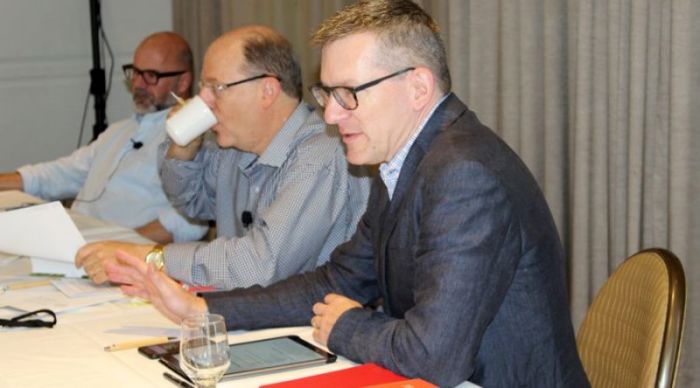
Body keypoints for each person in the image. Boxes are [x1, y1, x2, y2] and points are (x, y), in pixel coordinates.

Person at [105, 1, 589, 386]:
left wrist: (348, 326)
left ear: (417, 87)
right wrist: (207, 310)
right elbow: (337, 280)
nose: (333, 116)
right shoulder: (404, 160)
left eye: (349, 94)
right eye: (328, 95)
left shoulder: (465, 174)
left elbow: (435, 356)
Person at [79, 26, 370, 289]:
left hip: (308, 330)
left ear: (267, 91)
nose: (202, 102)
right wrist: (183, 145)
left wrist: (153, 257)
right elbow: (191, 202)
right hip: (250, 312)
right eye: (202, 89)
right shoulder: (235, 147)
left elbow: (260, 264)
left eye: (216, 88)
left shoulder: (320, 155)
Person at [0, 32, 207, 245]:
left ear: (183, 81)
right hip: (73, 241)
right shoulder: (118, 131)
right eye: (135, 72)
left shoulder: (193, 139)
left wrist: (120, 243)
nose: (138, 84)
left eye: (150, 76)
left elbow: (191, 221)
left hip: (121, 255)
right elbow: (58, 175)